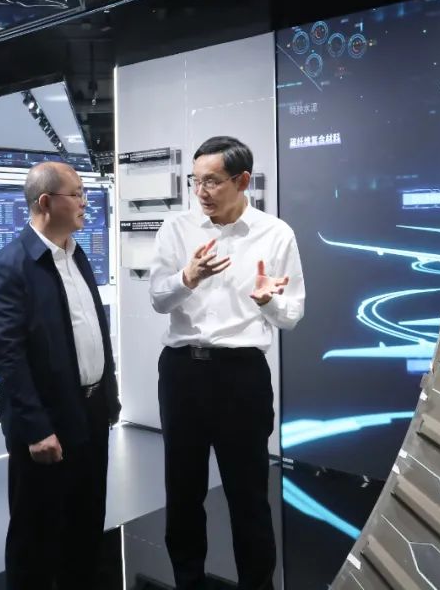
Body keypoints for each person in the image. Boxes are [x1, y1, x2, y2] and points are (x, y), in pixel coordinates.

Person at [149, 136, 305, 590]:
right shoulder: (176, 229)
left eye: (213, 182)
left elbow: (292, 314)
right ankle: (187, 580)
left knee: (248, 494)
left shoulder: (275, 233)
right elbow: (158, 299)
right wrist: (187, 277)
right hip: (182, 372)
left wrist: (268, 301)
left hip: (242, 376)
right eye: (195, 181)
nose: (201, 192)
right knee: (183, 491)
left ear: (243, 180)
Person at [0, 161, 120, 590]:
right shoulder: (8, 267)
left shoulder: (77, 255)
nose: (84, 202)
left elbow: (93, 331)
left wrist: (110, 396)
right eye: (76, 194)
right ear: (45, 202)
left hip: (91, 414)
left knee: (86, 525)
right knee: (36, 536)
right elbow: (9, 357)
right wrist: (36, 428)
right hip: (47, 425)